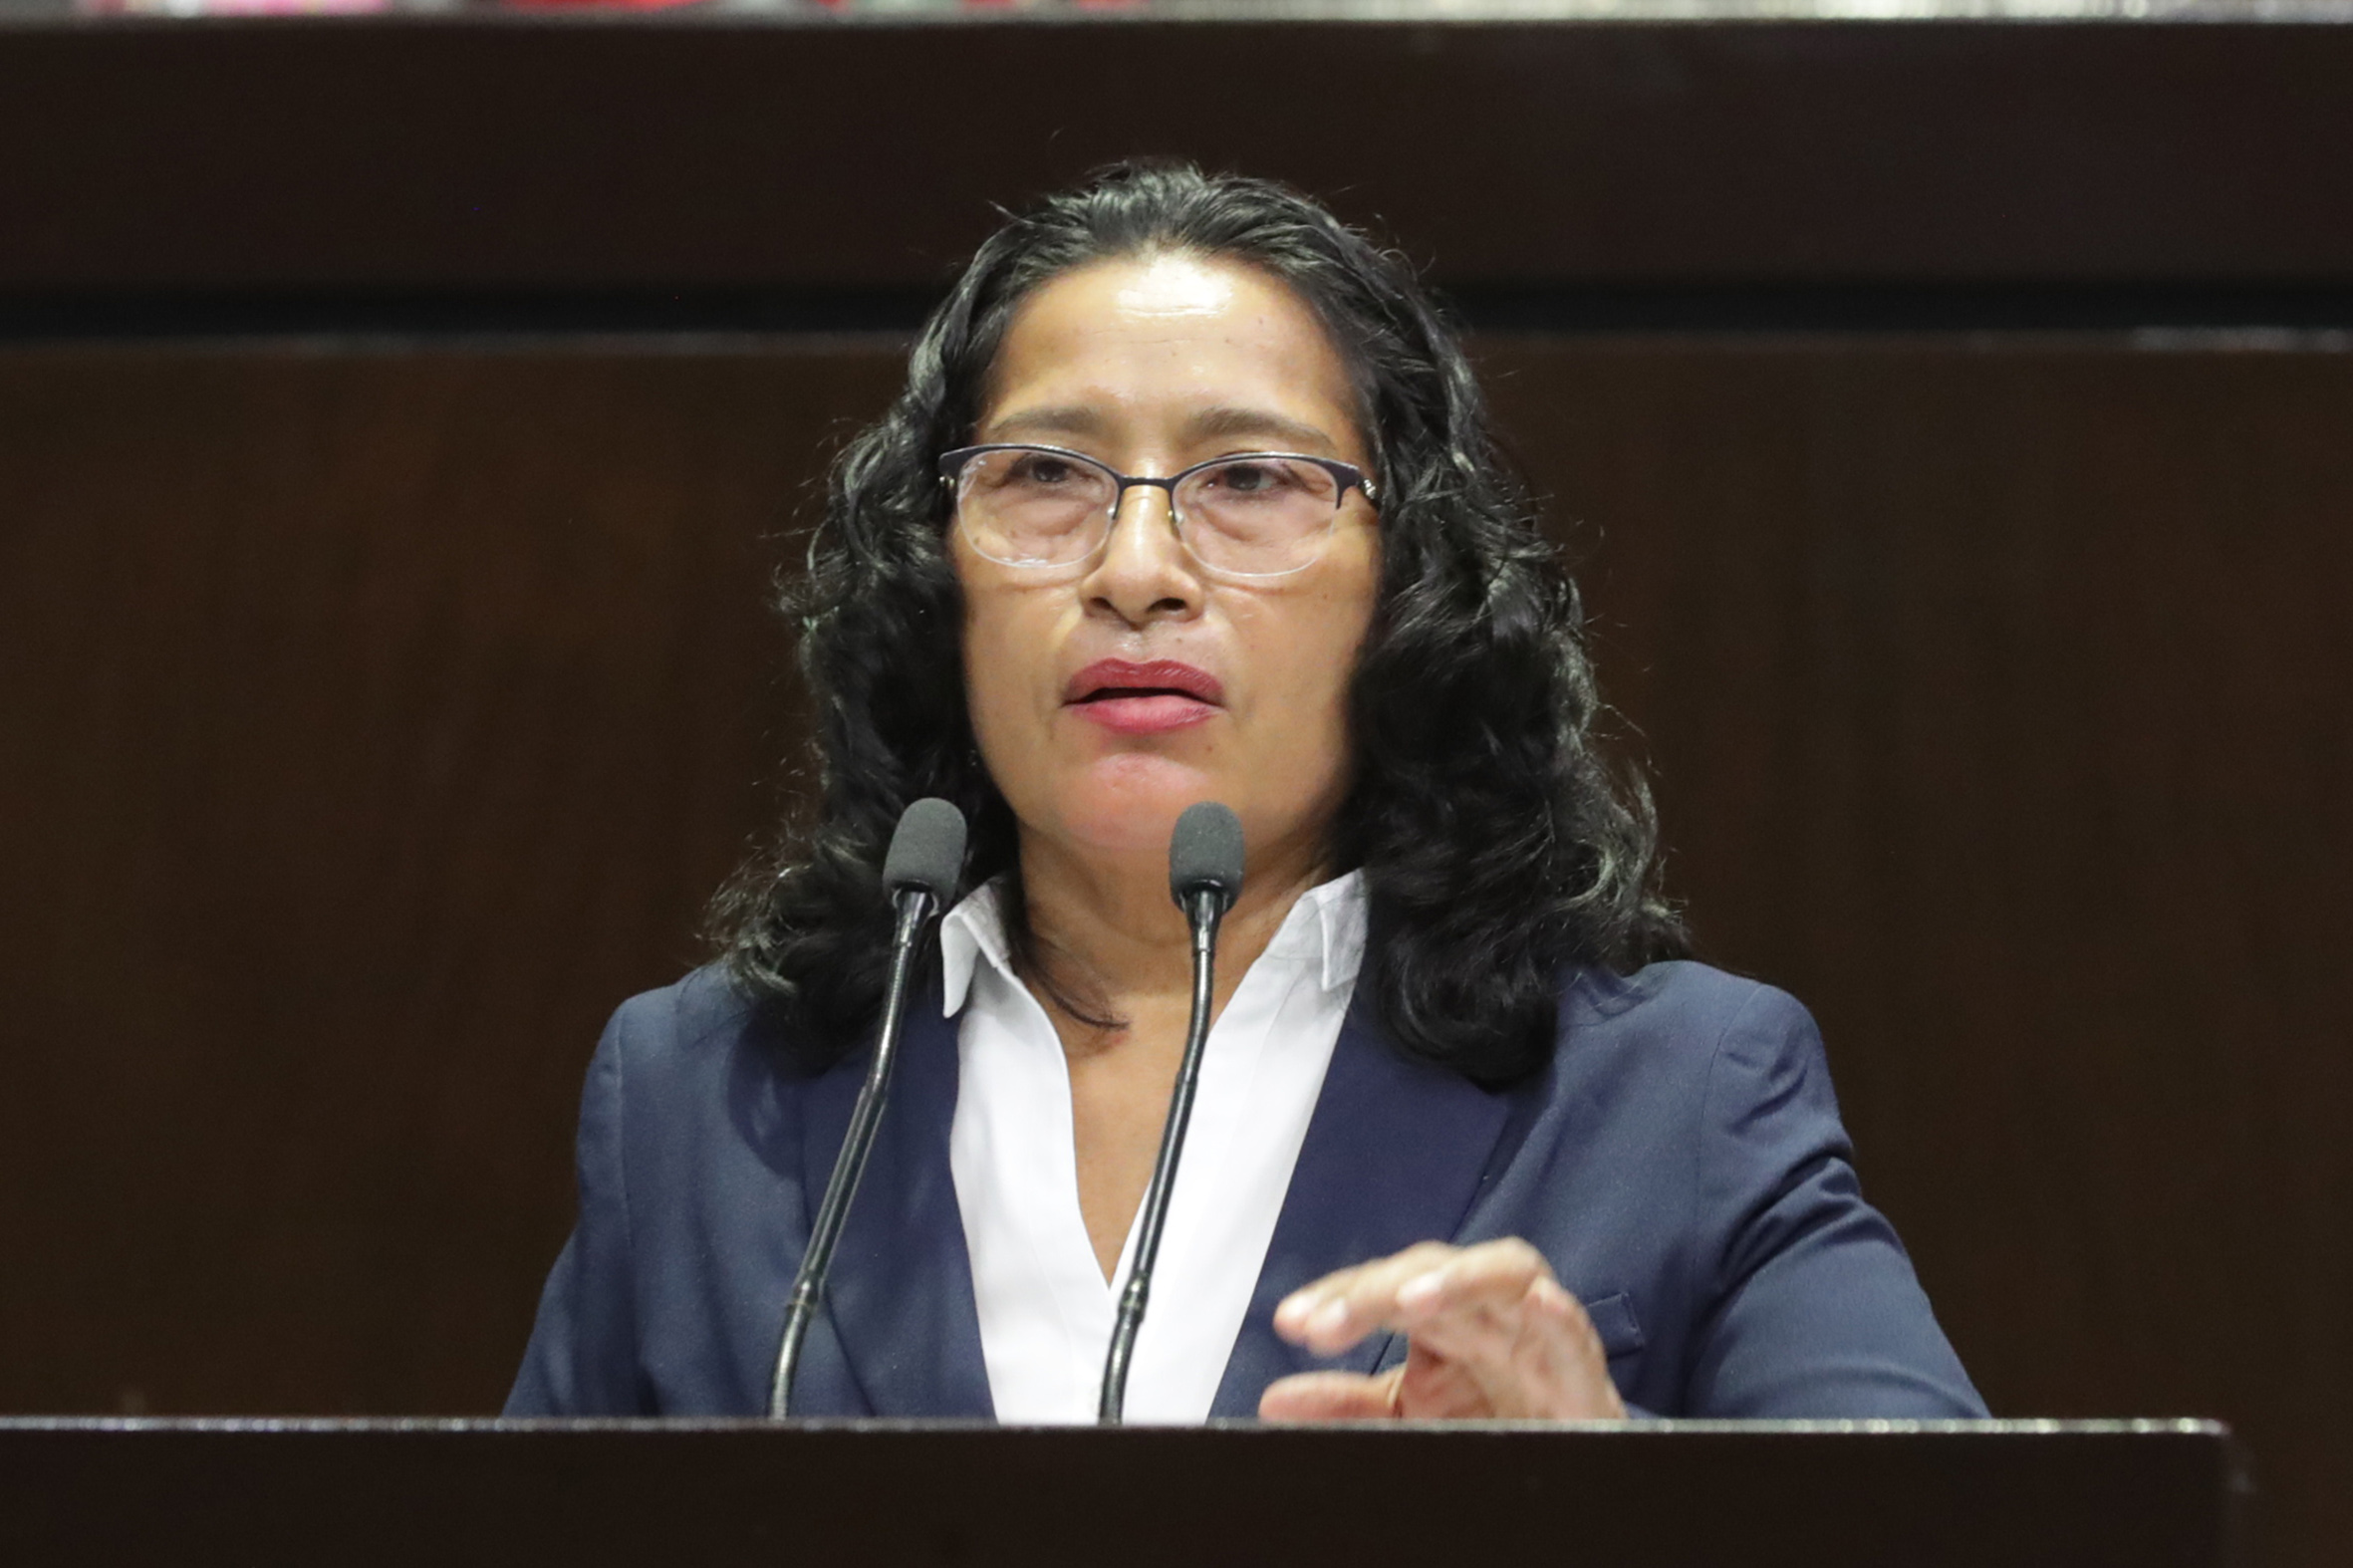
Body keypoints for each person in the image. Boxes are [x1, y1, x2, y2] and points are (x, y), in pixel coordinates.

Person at [506, 163, 1982, 1424]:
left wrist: (1599, 1486)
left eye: (1251, 480)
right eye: (1045, 476)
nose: (1136, 569)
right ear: (934, 574)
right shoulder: (703, 1101)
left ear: (1408, 585)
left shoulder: (1673, 1092)